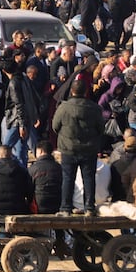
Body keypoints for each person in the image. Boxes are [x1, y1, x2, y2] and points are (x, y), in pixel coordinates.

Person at [52, 82, 107, 214]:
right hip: (89, 149)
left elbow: (55, 126)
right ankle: (89, 207)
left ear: (72, 91)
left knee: (67, 178)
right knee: (88, 178)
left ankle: (66, 207)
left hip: (68, 148)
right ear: (86, 92)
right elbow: (101, 128)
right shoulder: (95, 108)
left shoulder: (63, 107)